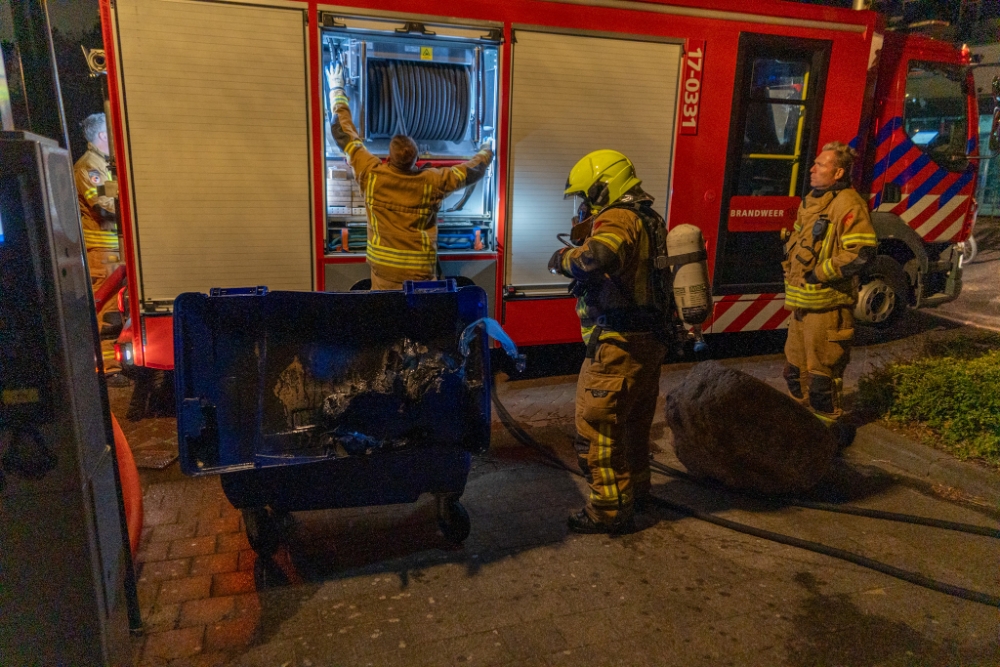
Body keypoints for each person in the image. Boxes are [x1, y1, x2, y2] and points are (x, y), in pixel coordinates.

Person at [548, 150, 672, 535]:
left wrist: (561, 258)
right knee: (633, 426)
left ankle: (607, 510)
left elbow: (596, 258)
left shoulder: (618, 217)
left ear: (605, 187)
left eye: (587, 195)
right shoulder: (650, 218)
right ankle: (636, 492)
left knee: (597, 428)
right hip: (647, 341)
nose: (584, 205)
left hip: (618, 345)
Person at [327, 65, 493, 290]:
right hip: (420, 279)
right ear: (415, 160)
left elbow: (344, 134)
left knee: (387, 320)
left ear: (388, 157)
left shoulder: (372, 174)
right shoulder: (431, 182)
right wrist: (487, 148)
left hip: (383, 275)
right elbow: (469, 171)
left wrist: (336, 90)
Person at [781, 141, 877, 434]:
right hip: (801, 307)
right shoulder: (812, 200)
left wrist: (819, 274)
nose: (812, 168)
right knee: (794, 374)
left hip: (828, 308)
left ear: (837, 173)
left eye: (820, 165)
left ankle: (828, 436)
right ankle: (800, 428)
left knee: (822, 379)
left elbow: (861, 252)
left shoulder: (849, 204)